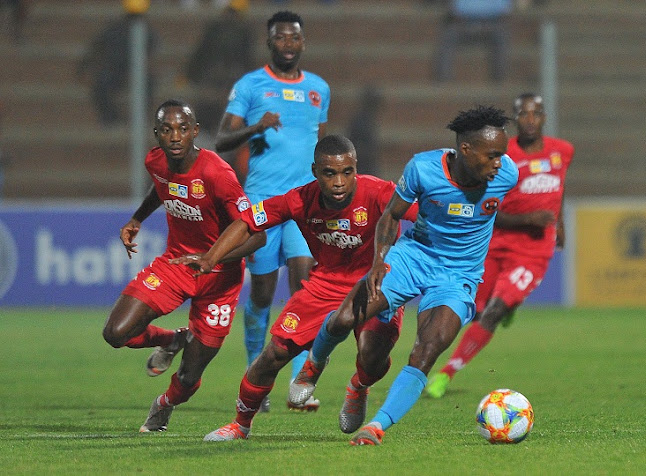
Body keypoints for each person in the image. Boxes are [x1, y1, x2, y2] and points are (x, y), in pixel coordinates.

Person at [287, 105, 519, 445]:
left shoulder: (506, 175)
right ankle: (314, 364)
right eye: (493, 155)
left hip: (458, 275)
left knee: (426, 351)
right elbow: (391, 216)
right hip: (413, 257)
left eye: (503, 154)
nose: (500, 163)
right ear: (466, 150)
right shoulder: (423, 169)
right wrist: (380, 259)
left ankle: (374, 424)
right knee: (344, 318)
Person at [169, 134, 418, 441]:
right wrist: (210, 258)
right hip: (324, 286)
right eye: (330, 173)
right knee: (273, 354)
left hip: (376, 284)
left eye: (346, 172)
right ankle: (240, 425)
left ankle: (358, 386)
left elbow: (428, 217)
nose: (339, 182)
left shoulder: (381, 192)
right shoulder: (299, 199)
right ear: (315, 171)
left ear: (356, 168)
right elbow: (247, 222)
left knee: (371, 359)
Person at [101, 99, 265, 433]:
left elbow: (256, 238)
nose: (175, 136)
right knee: (116, 333)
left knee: (189, 378)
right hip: (176, 265)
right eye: (167, 129)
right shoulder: (155, 161)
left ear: (195, 132)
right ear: (156, 134)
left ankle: (165, 404)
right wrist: (137, 218)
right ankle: (172, 340)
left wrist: (211, 259)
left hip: (221, 279)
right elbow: (162, 187)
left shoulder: (217, 173)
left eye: (182, 129)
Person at [214, 10, 330, 411]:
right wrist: (256, 127)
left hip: (304, 204)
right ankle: (254, 371)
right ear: (270, 42)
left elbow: (318, 145)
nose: (288, 44)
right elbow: (221, 140)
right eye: (280, 38)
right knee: (262, 293)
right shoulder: (251, 85)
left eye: (294, 38)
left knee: (305, 288)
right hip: (263, 202)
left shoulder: (318, 89)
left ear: (302, 42)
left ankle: (300, 385)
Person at [425, 93, 574, 398]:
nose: (529, 120)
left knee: (493, 311)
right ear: (515, 119)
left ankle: (445, 374)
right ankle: (507, 303)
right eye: (523, 114)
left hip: (533, 252)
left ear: (544, 117)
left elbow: (560, 186)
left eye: (535, 114)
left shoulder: (562, 151)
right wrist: (529, 219)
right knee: (474, 312)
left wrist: (559, 223)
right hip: (496, 243)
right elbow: (488, 210)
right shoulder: (502, 161)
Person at [76, 0, 158, 126]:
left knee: (148, 83)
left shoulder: (147, 31)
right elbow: (97, 47)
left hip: (135, 70)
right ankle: (111, 120)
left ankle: (140, 120)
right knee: (101, 85)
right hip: (115, 70)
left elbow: (152, 49)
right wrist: (83, 68)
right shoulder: (115, 28)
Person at [183, 0, 254, 137]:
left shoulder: (240, 31)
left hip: (225, 78)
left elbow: (200, 54)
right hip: (218, 79)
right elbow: (202, 54)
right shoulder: (219, 29)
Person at [434, 0, 513, 83]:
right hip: (464, 22)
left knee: (501, 35)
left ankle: (499, 80)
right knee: (449, 34)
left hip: (492, 23)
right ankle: (443, 81)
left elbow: (504, 10)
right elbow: (454, 8)